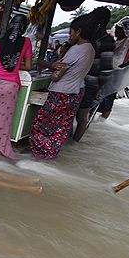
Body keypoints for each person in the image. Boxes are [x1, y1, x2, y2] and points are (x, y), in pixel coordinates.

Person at [30, 14, 95, 160]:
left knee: (42, 125)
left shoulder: (76, 49)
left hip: (61, 93)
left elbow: (56, 75)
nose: (70, 36)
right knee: (60, 127)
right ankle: (50, 155)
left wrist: (45, 65)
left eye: (71, 32)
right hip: (76, 92)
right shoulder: (90, 49)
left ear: (78, 31)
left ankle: (39, 155)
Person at [0, 14, 32, 159]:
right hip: (11, 87)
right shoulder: (26, 42)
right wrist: (16, 63)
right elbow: (28, 66)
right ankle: (3, 152)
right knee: (4, 121)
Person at [73, 7, 115, 142]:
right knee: (76, 114)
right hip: (79, 80)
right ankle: (70, 143)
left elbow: (106, 68)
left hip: (89, 82)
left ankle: (73, 144)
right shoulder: (90, 37)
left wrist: (99, 88)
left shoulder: (106, 40)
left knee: (81, 115)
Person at [98, 15, 129, 119]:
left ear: (125, 30)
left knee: (108, 98)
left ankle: (101, 122)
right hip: (107, 70)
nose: (116, 31)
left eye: (119, 29)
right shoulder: (118, 40)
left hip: (117, 73)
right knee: (100, 97)